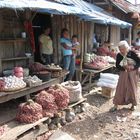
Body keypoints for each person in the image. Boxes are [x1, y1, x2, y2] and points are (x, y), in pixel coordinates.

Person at [110, 40, 140, 112]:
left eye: (123, 49)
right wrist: (124, 67)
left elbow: (138, 63)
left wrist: (133, 67)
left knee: (132, 87)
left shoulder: (132, 53)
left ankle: (133, 104)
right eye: (120, 49)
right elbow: (117, 65)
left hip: (133, 73)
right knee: (120, 87)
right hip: (124, 73)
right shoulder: (119, 55)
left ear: (127, 48)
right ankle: (116, 104)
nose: (121, 51)